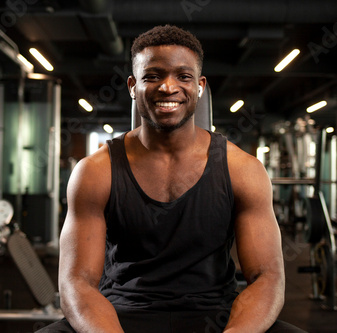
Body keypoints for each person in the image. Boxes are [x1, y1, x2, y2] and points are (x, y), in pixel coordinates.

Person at [38, 25, 305, 333]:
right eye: (152, 76)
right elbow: (77, 282)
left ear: (200, 86)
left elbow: (267, 278)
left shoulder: (242, 169)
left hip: (216, 316)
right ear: (131, 86)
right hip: (121, 315)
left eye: (183, 76)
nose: (168, 87)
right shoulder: (95, 171)